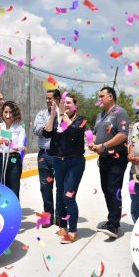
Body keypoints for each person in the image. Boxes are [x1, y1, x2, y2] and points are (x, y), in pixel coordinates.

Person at [42, 93, 86, 244]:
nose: (65, 105)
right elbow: (46, 133)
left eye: (68, 103)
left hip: (75, 163)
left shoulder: (81, 119)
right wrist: (53, 115)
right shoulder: (57, 119)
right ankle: (63, 226)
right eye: (63, 102)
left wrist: (62, 114)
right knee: (60, 196)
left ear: (75, 105)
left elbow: (74, 131)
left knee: (68, 196)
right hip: (58, 162)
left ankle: (73, 231)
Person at [88, 86, 130, 239]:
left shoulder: (120, 113)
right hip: (104, 158)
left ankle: (114, 224)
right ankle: (111, 218)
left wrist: (104, 145)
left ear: (111, 97)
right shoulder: (100, 115)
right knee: (106, 189)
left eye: (102, 96)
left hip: (117, 158)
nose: (99, 99)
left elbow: (123, 135)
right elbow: (95, 132)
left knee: (114, 189)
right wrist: (93, 142)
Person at [33, 89, 61, 227]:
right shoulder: (41, 114)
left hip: (59, 156)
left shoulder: (63, 116)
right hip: (44, 155)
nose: (48, 101)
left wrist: (55, 118)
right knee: (45, 187)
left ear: (58, 99)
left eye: (51, 98)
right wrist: (49, 122)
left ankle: (60, 216)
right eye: (47, 98)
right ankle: (48, 216)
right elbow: (37, 131)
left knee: (60, 187)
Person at [0, 101, 25, 199]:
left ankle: (13, 211)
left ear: (15, 113)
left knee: (13, 186)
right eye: (5, 112)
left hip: (14, 159)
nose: (8, 115)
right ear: (2, 113)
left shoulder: (19, 128)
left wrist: (11, 144)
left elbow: (20, 146)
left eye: (10, 112)